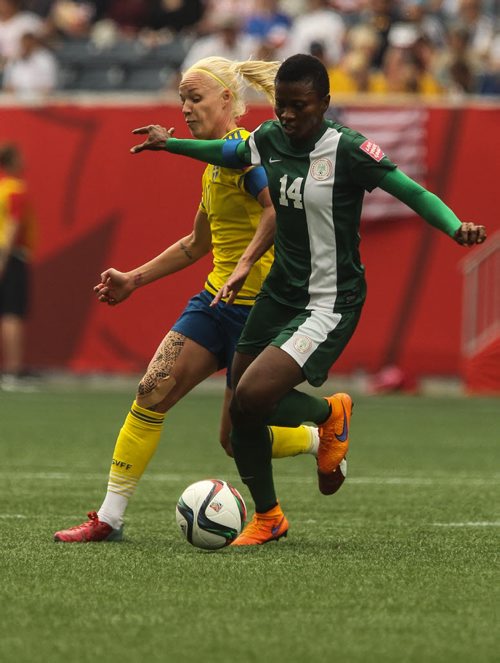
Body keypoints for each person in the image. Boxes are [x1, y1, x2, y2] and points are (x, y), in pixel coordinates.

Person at [129, 53, 487, 546]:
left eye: (300, 106)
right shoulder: (270, 138)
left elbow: (412, 192)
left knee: (253, 397)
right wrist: (171, 145)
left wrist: (455, 227)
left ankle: (328, 415)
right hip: (280, 294)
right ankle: (269, 516)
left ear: (324, 103)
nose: (289, 117)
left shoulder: (349, 149)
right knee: (241, 414)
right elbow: (230, 155)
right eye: (282, 107)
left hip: (329, 299)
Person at [53, 56, 324, 543]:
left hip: (260, 311)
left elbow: (275, 214)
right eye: (181, 98)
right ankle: (109, 518)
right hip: (214, 305)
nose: (185, 108)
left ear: (227, 100)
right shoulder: (212, 164)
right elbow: (196, 245)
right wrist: (134, 279)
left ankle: (318, 437)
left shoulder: (246, 152)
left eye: (194, 98)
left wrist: (244, 267)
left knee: (233, 439)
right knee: (149, 393)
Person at [0, 143, 36, 390]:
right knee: (12, 312)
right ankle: (13, 370)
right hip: (11, 256)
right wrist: (3, 260)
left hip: (6, 254)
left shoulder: (2, 188)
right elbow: (12, 226)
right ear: (12, 161)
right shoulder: (15, 189)